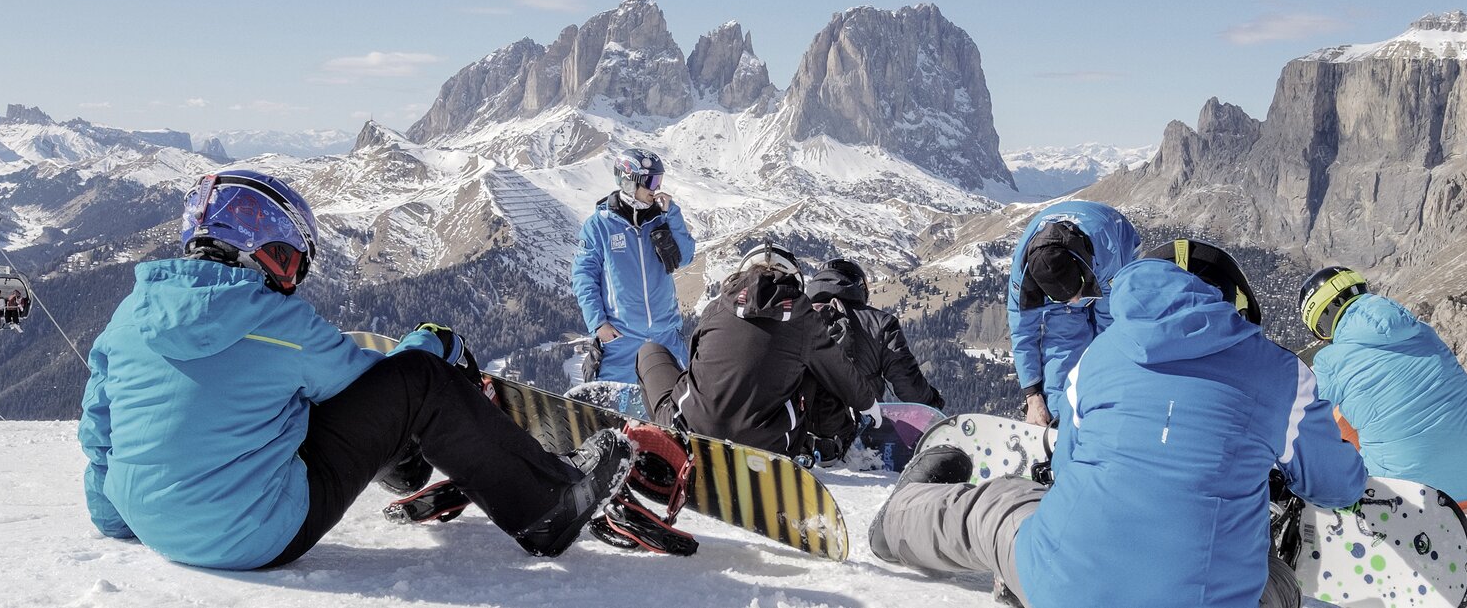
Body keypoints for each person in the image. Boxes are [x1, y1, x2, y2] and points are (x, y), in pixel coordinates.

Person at [79, 169, 634, 570]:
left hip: (150, 525)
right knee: (419, 380)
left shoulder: (127, 317)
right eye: (288, 262)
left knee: (274, 404)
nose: (289, 280)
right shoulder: (275, 320)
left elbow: (100, 432)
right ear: (256, 248)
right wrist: (430, 344)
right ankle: (548, 507)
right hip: (257, 535)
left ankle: (407, 468)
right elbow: (371, 385)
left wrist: (115, 516)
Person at [869, 251, 1367, 608]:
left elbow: (1065, 469)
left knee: (997, 507)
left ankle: (897, 522)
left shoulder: (1096, 357)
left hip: (1061, 586)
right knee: (1273, 575)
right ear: (1230, 302)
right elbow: (1338, 486)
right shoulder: (1282, 374)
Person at [635, 242, 884, 465]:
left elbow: (695, 362)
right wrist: (868, 403)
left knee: (649, 351)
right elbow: (837, 369)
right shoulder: (803, 318)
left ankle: (667, 442)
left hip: (688, 429)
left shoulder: (717, 307)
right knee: (812, 369)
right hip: (766, 446)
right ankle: (815, 445)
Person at [1296, 264, 1467, 509]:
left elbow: (1300, 420)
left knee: (1337, 418)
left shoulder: (1330, 361)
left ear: (1323, 322)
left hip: (1406, 497)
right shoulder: (1424, 332)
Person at [1007, 200, 1140, 429]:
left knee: (1109, 353)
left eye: (1077, 292)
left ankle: (1105, 417)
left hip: (1115, 250)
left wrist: (1103, 372)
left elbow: (1109, 327)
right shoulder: (1022, 279)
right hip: (1076, 277)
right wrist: (1032, 394)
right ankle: (1058, 422)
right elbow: (1023, 332)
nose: (1077, 301)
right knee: (1062, 347)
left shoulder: (1107, 252)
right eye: (1066, 298)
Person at [571, 148, 696, 385]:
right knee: (619, 403)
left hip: (665, 336)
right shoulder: (600, 226)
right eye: (651, 181)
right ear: (629, 182)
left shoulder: (662, 219)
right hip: (621, 340)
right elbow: (584, 276)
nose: (656, 188)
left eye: (658, 180)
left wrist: (672, 214)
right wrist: (598, 323)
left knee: (678, 399)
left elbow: (686, 257)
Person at [804, 258, 945, 409]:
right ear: (859, 285)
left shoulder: (795, 319)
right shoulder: (881, 322)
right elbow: (908, 383)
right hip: (864, 418)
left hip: (802, 420)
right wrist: (933, 404)